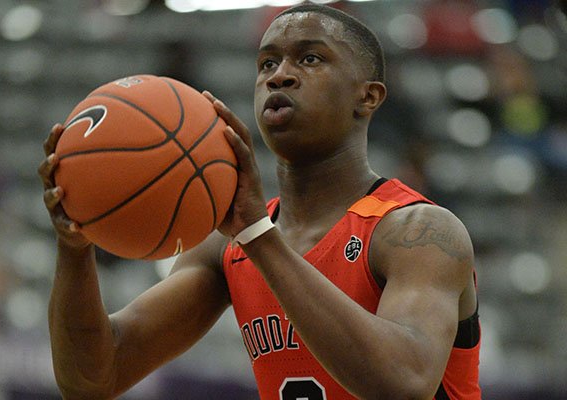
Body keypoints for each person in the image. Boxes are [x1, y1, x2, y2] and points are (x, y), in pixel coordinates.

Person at [39, 3, 481, 399]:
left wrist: (258, 236)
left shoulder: (418, 232)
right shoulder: (229, 245)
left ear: (368, 96)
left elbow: (403, 383)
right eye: (267, 62)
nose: (279, 74)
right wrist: (76, 246)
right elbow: (93, 380)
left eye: (310, 58)